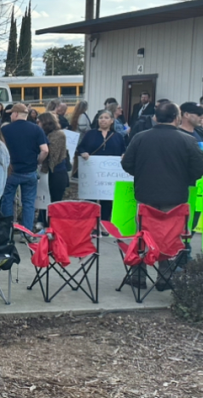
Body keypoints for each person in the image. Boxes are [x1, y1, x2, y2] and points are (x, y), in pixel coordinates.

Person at [122, 102, 203, 288]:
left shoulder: (140, 138)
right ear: (177, 117)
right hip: (175, 198)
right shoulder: (187, 140)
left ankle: (138, 276)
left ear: (155, 118)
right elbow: (199, 168)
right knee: (169, 237)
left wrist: (143, 174)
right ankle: (164, 276)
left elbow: (127, 164)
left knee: (142, 236)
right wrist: (183, 178)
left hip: (146, 197)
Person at [0, 103, 49, 234]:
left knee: (7, 200)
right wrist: (37, 161)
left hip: (11, 172)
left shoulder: (5, 130)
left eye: (11, 114)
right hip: (30, 171)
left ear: (15, 114)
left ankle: (7, 231)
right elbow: (45, 150)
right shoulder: (37, 129)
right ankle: (26, 233)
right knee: (28, 203)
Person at [76, 110, 126, 221]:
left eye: (106, 117)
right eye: (101, 117)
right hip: (92, 172)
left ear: (112, 121)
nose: (103, 120)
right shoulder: (90, 134)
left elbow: (124, 150)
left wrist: (123, 155)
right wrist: (83, 153)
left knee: (107, 200)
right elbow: (81, 147)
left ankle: (104, 223)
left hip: (109, 175)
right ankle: (90, 223)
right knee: (91, 200)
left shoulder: (117, 136)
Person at [37, 112, 69, 226]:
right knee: (43, 199)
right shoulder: (43, 134)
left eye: (39, 122)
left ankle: (53, 224)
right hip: (45, 171)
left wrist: (39, 160)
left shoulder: (58, 135)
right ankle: (42, 221)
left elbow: (53, 156)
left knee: (54, 199)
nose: (37, 124)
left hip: (56, 172)